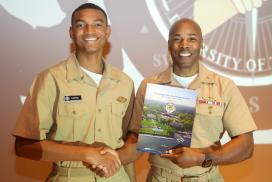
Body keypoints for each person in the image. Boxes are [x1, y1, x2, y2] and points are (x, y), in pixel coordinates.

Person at [12, 3, 136, 182]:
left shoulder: (125, 82)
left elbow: (126, 142)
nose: (89, 30)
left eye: (97, 24)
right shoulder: (50, 79)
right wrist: (85, 153)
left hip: (118, 177)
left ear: (108, 31)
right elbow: (24, 146)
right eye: (81, 25)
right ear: (71, 32)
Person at [128, 18, 257, 181]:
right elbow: (134, 137)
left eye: (192, 38)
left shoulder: (223, 86)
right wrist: (112, 156)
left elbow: (246, 145)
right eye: (177, 39)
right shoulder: (149, 86)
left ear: (201, 44)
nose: (184, 45)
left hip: (206, 177)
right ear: (169, 45)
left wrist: (201, 158)